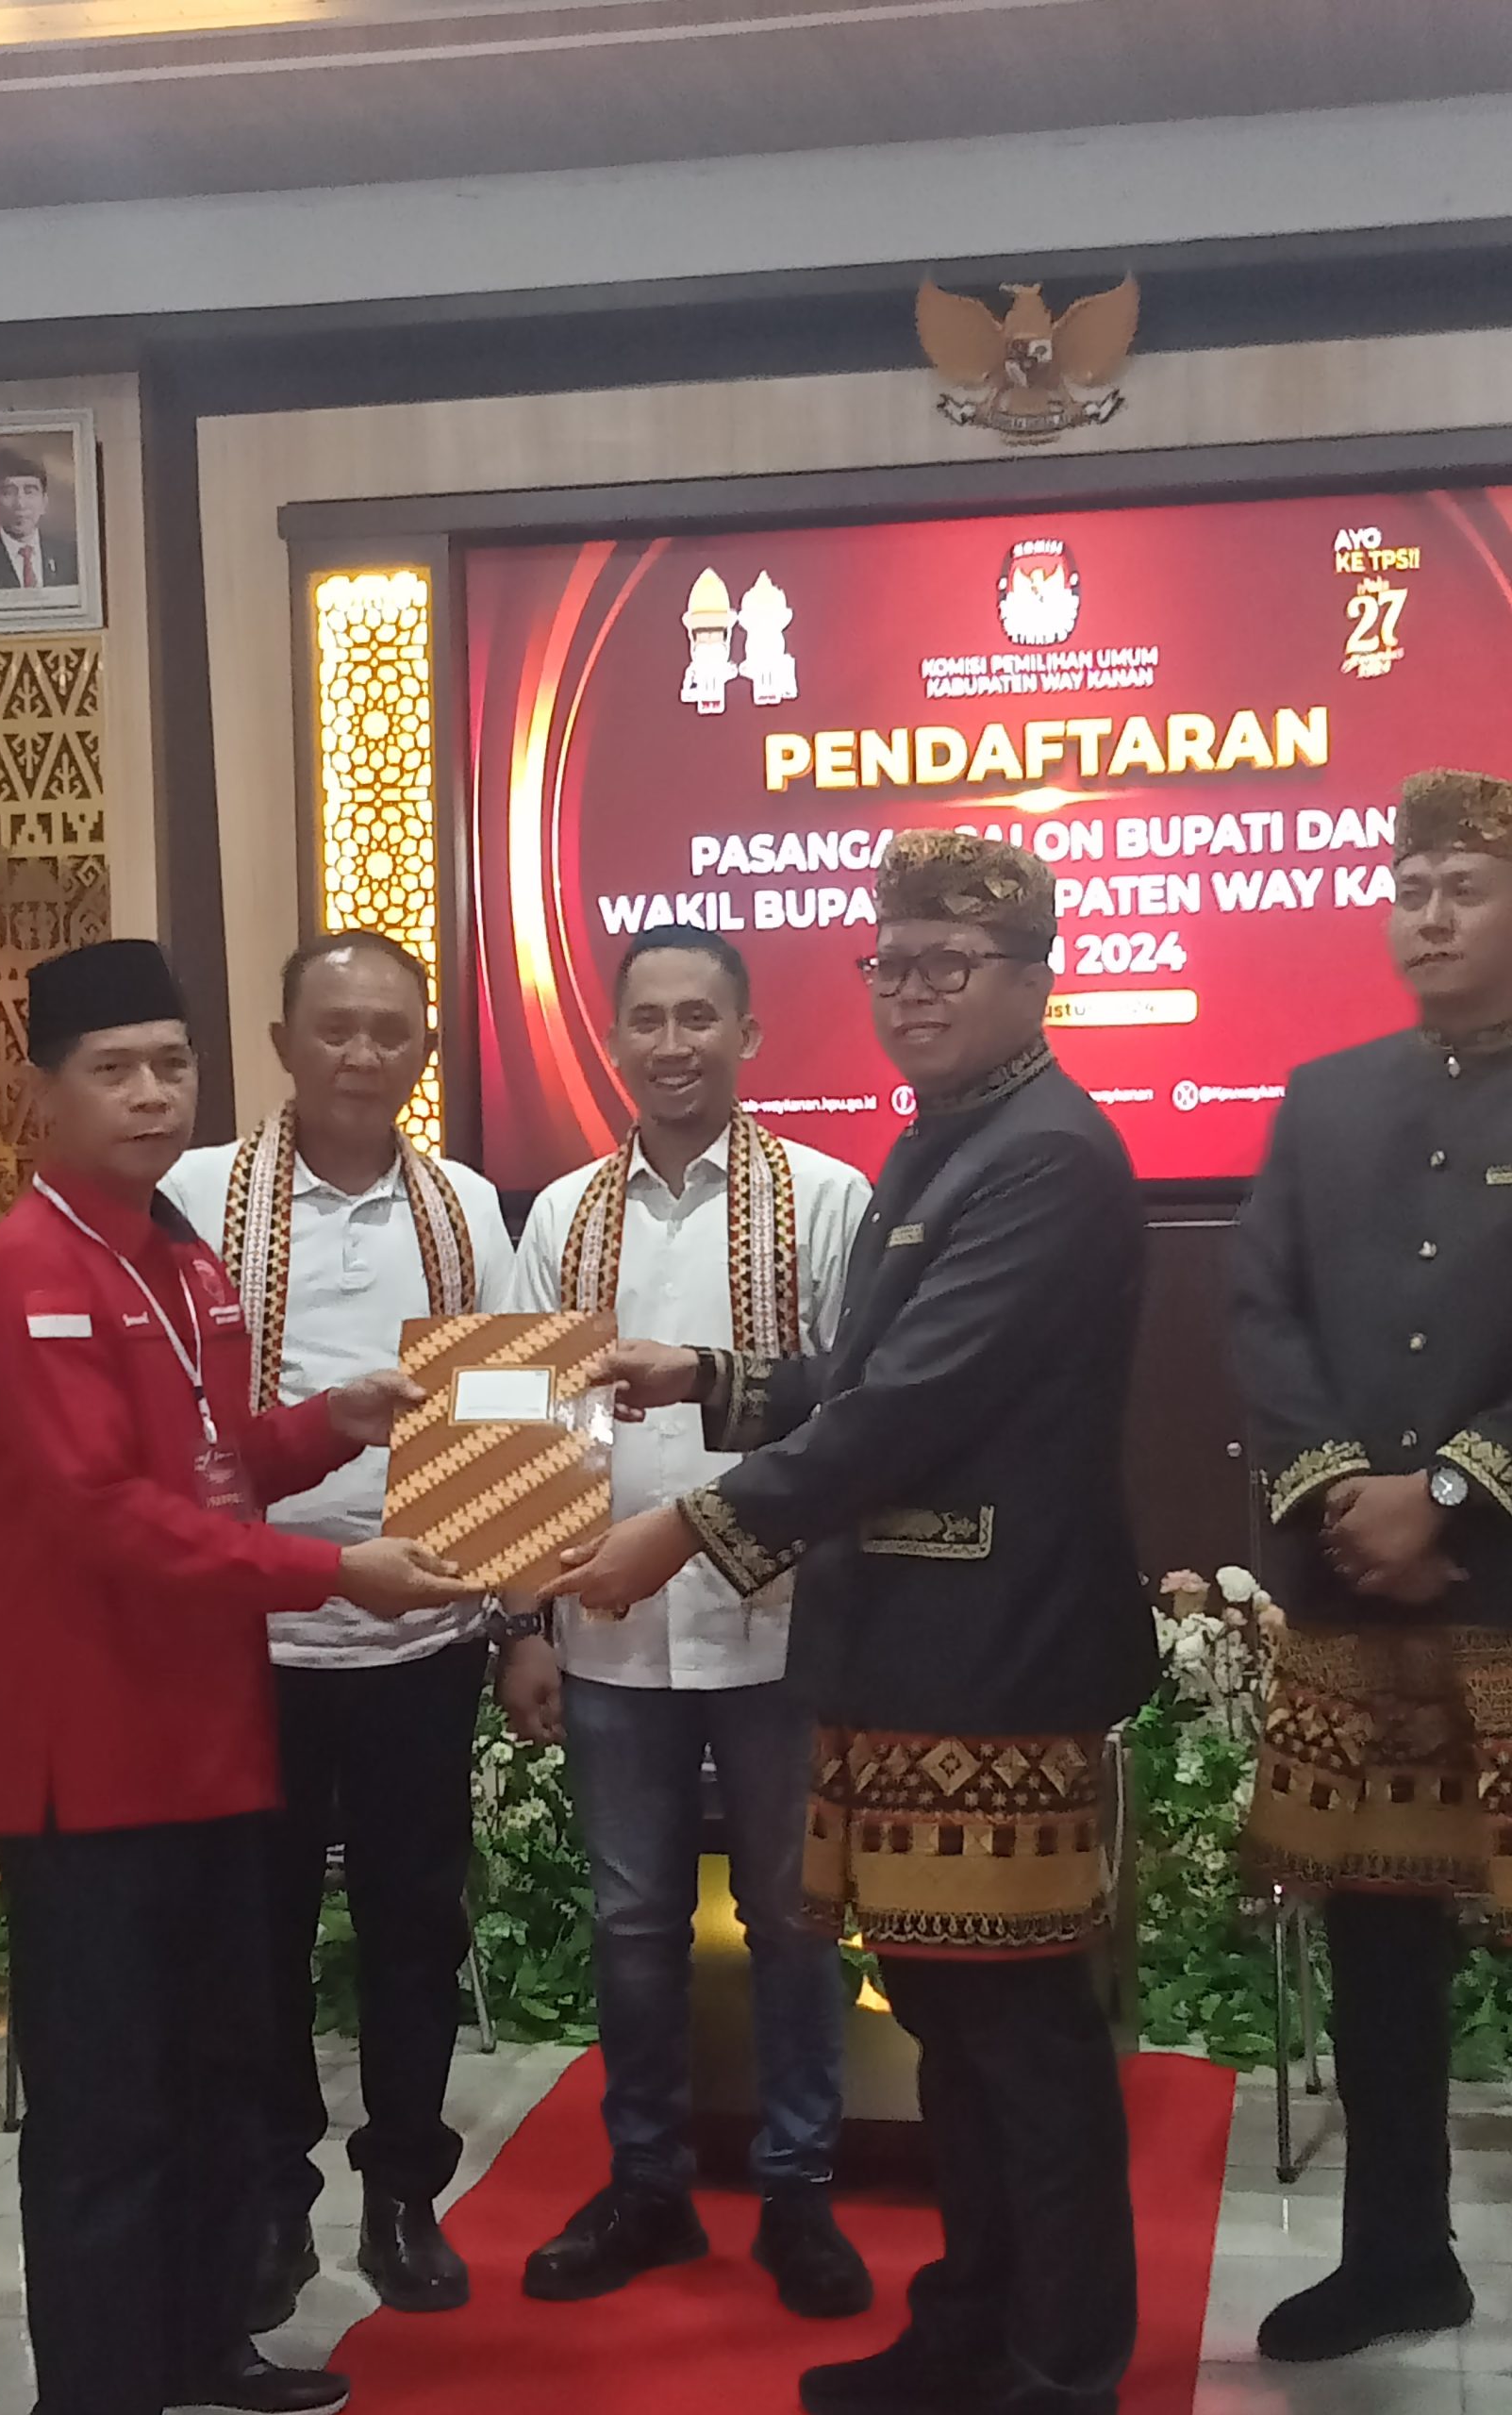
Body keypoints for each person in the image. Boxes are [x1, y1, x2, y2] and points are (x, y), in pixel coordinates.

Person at [548, 834, 1155, 2415]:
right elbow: (862, 1379)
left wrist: (683, 1527)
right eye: (893, 964)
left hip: (1002, 1661)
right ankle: (969, 2325)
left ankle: (1061, 2367)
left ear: (1035, 979)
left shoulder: (1049, 1157)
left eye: (953, 965)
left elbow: (911, 1409)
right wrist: (711, 1378)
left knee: (1021, 2036)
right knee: (950, 2015)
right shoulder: (944, 1142)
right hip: (913, 1658)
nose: (914, 994)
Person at [0, 938, 466, 2415]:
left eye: (172, 1066)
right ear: (44, 1094)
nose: (151, 1095)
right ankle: (98, 2388)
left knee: (210, 2080)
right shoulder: (27, 1275)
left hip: (213, 1742)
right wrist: (335, 1573)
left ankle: (195, 2347)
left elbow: (209, 1467)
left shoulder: (179, 1257)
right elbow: (105, 1520)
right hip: (93, 1763)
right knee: (106, 2111)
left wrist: (332, 1423)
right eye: (113, 1070)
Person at [499, 925, 872, 2318]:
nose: (672, 1044)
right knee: (635, 1922)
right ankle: (647, 2186)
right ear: (614, 1042)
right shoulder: (562, 1216)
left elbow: (859, 1403)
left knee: (793, 1918)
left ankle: (800, 2192)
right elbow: (520, 1426)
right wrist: (522, 1622)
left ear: (748, 1035)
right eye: (646, 1020)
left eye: (698, 1018)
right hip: (607, 1632)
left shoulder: (827, 1197)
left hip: (783, 1626)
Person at [162, 931, 515, 2326]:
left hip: (422, 1636)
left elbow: (507, 1415)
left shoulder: (467, 1208)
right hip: (248, 1640)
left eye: (390, 1032)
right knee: (254, 1932)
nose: (363, 1056)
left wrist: (519, 1611)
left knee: (413, 1925)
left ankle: (405, 2193)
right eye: (335, 1029)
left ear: (424, 1049)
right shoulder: (198, 1194)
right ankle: (272, 2196)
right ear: (282, 1044)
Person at [1233, 765, 1512, 2364]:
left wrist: (1453, 1497)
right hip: (1357, 1593)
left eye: (1464, 887)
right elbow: (1261, 1311)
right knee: (1378, 1933)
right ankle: (1400, 2254)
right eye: (1409, 888)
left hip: (1507, 1588)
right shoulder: (1325, 1097)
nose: (1428, 915)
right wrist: (1353, 1496)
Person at [0, 447, 77, 591]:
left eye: (30, 492)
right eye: (9, 492)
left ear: (44, 502)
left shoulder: (72, 557)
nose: (20, 503)